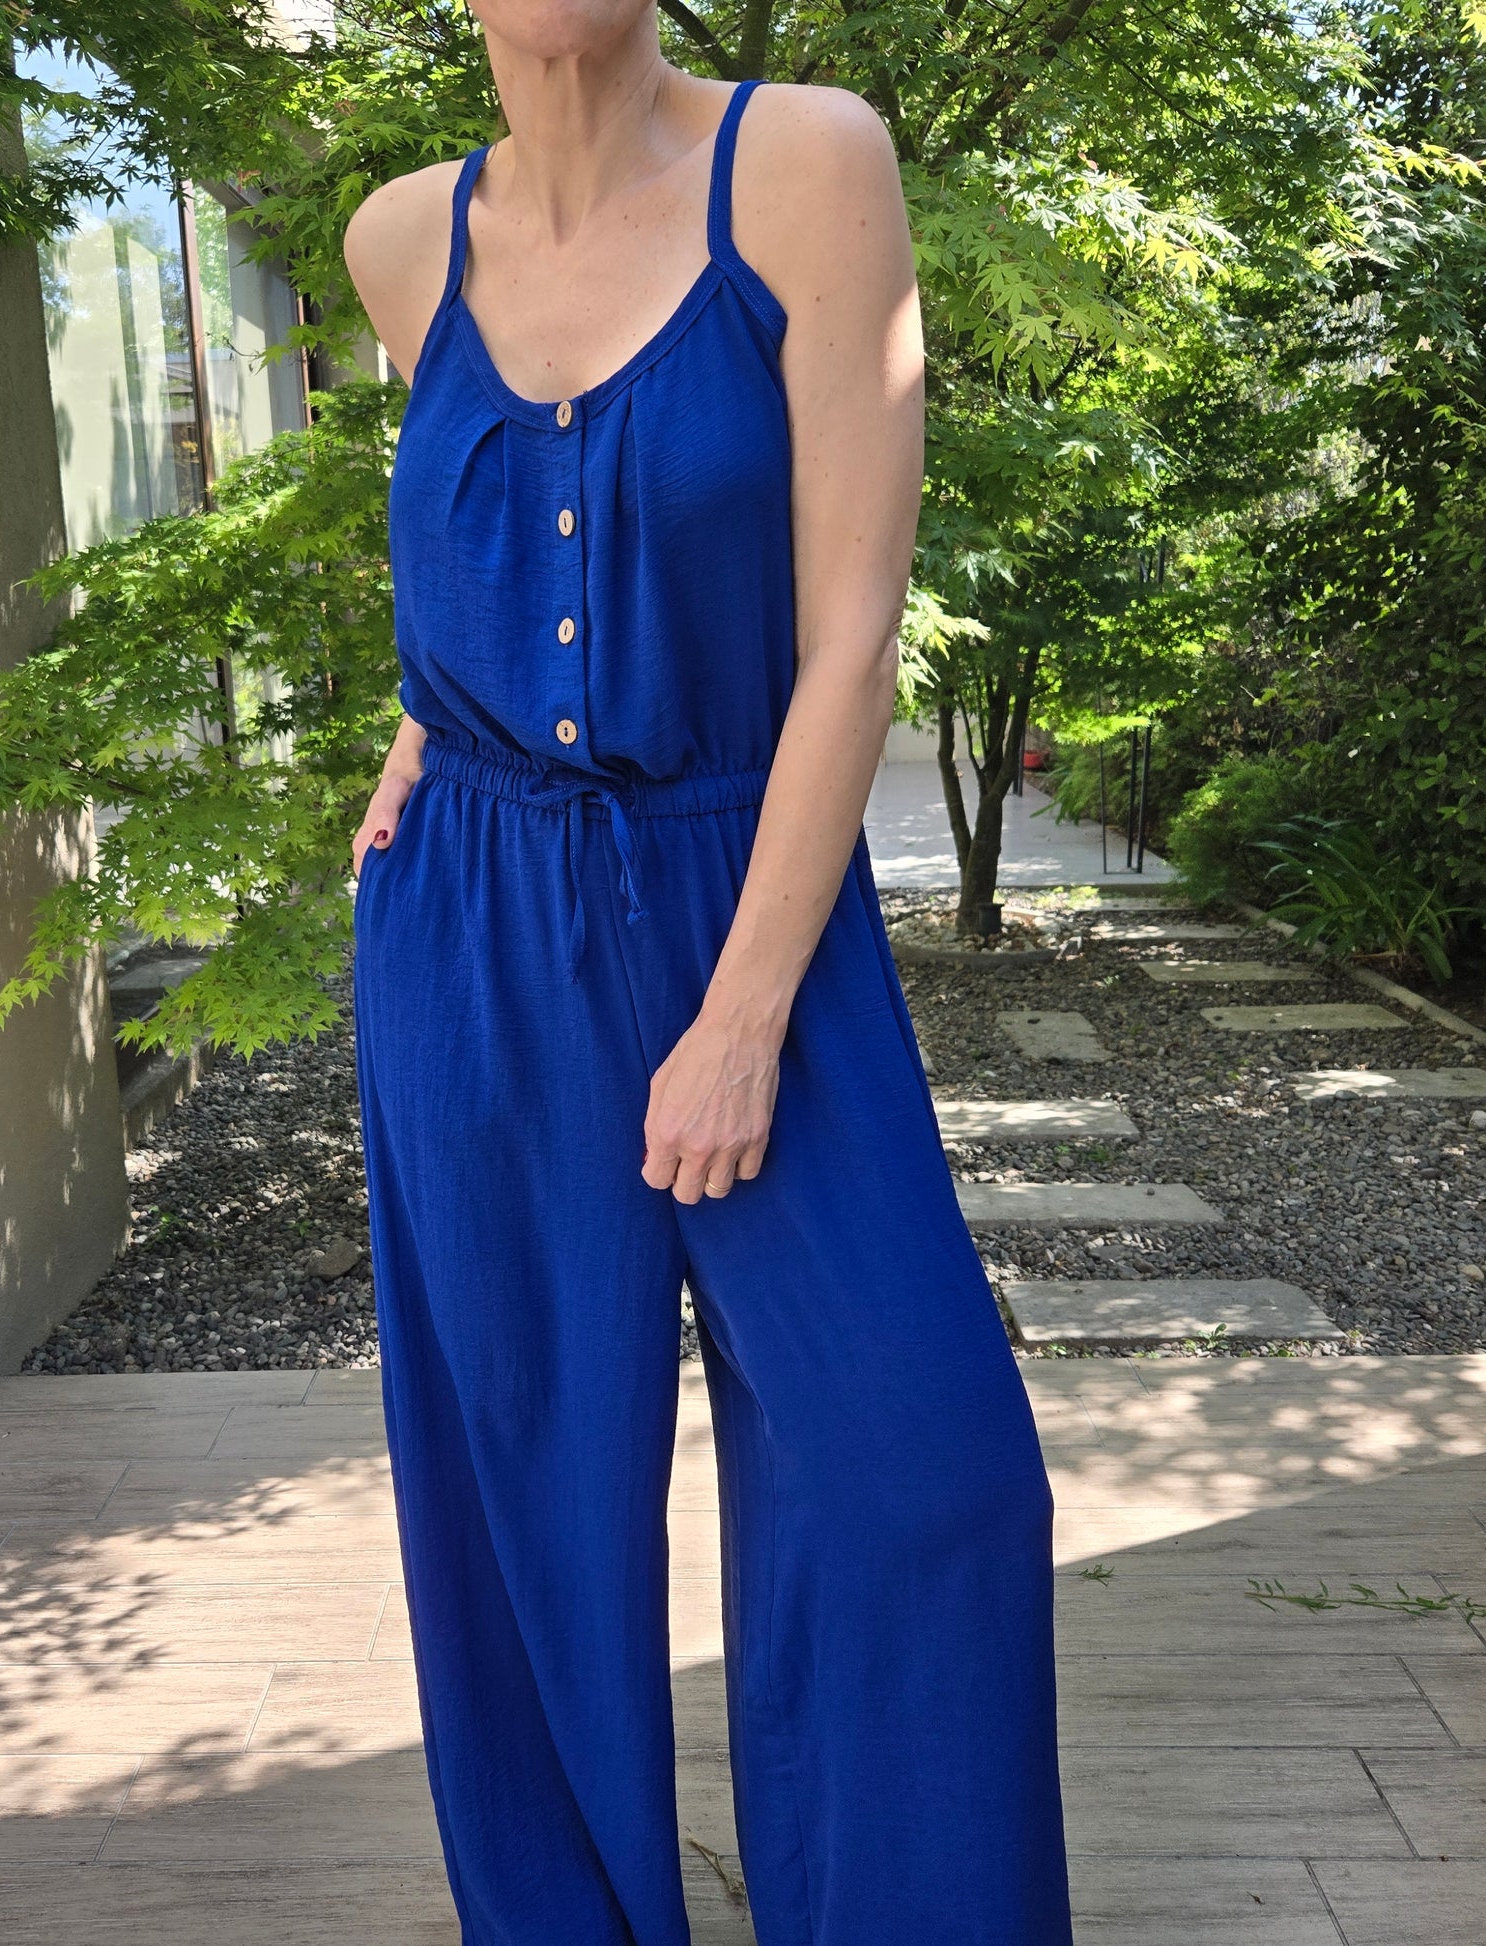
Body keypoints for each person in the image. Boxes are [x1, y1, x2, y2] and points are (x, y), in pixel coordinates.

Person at [341, 6, 1074, 1940]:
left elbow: (851, 634)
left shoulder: (804, 165)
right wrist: (425, 723)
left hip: (747, 898)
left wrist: (741, 1012)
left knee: (926, 1480)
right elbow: (500, 544)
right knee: (523, 1501)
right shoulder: (399, 238)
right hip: (471, 930)